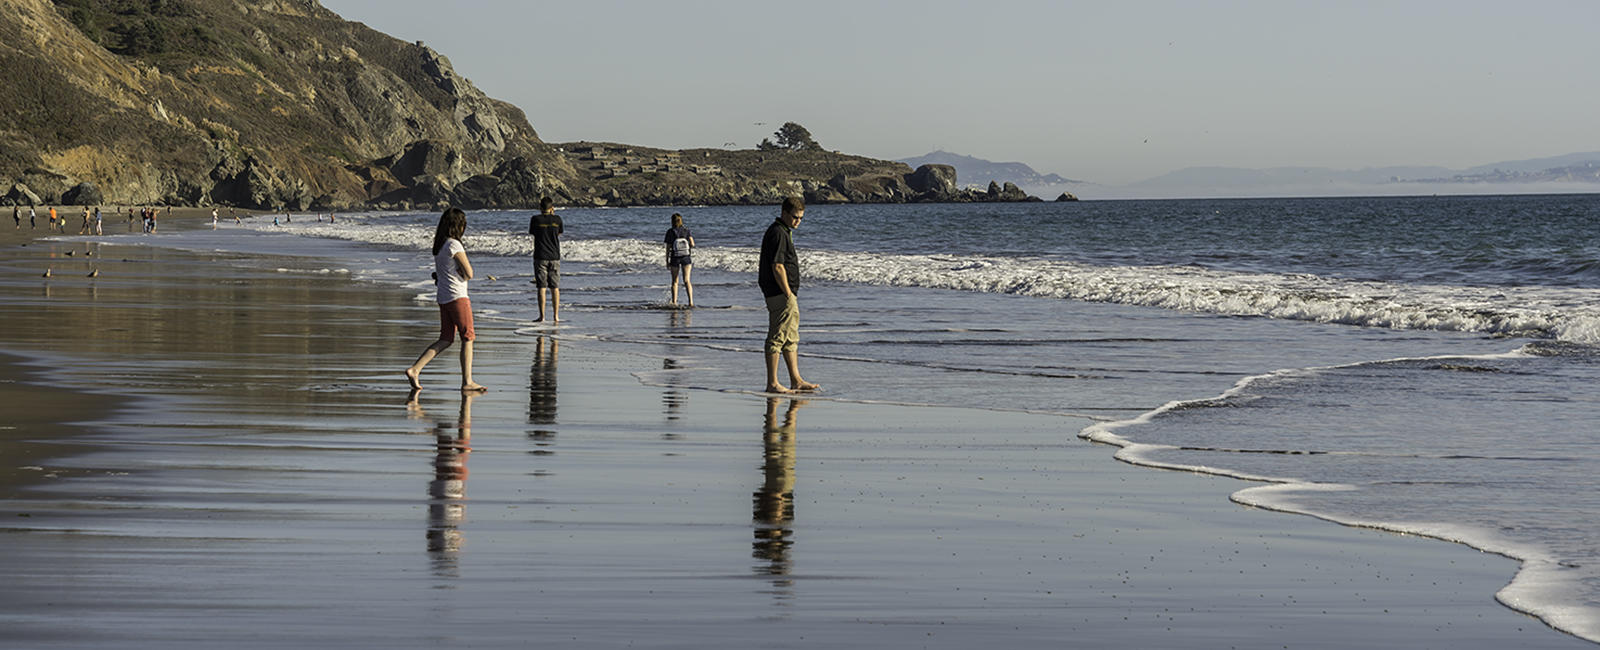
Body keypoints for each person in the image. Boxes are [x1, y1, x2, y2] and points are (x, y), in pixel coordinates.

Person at [405, 207, 487, 392]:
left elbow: (446, 271)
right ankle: (467, 381)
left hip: (443, 296)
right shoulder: (454, 245)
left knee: (446, 338)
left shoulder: (440, 246)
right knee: (468, 337)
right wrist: (462, 274)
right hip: (457, 296)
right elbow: (470, 273)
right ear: (458, 226)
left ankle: (415, 369)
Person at [759, 197, 819, 394]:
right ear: (784, 213)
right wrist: (788, 293)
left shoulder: (784, 231)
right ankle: (773, 383)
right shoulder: (777, 232)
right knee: (777, 337)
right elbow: (777, 266)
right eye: (795, 217)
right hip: (780, 294)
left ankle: (796, 379)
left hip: (786, 293)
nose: (798, 221)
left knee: (791, 337)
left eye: (801, 218)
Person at [528, 195, 564, 322]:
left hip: (540, 255)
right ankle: (556, 316)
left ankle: (542, 316)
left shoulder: (535, 219)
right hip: (554, 255)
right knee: (555, 287)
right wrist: (552, 217)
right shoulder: (557, 219)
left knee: (541, 287)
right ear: (552, 207)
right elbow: (559, 233)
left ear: (540, 207)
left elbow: (533, 232)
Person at [665, 212, 696, 307]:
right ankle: (690, 302)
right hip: (686, 257)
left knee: (675, 281)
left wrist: (667, 260)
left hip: (675, 257)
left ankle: (674, 302)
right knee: (687, 280)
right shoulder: (686, 230)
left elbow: (668, 248)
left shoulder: (670, 231)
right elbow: (692, 244)